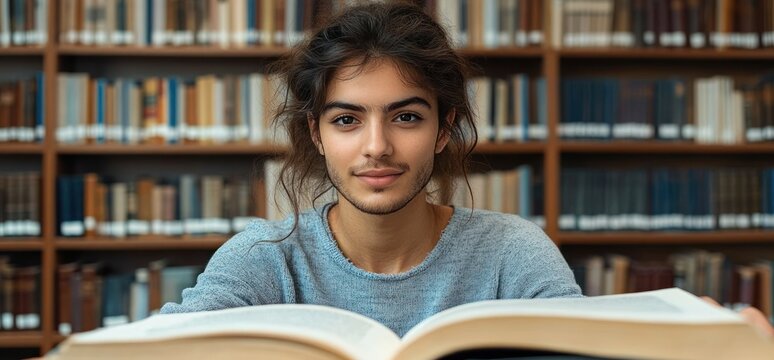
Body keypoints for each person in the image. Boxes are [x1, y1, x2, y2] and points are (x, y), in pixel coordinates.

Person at [160, 0, 773, 340]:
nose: (377, 147)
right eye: (347, 120)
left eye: (405, 117)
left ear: (444, 127)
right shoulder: (262, 259)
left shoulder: (514, 253)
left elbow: (582, 349)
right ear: (316, 134)